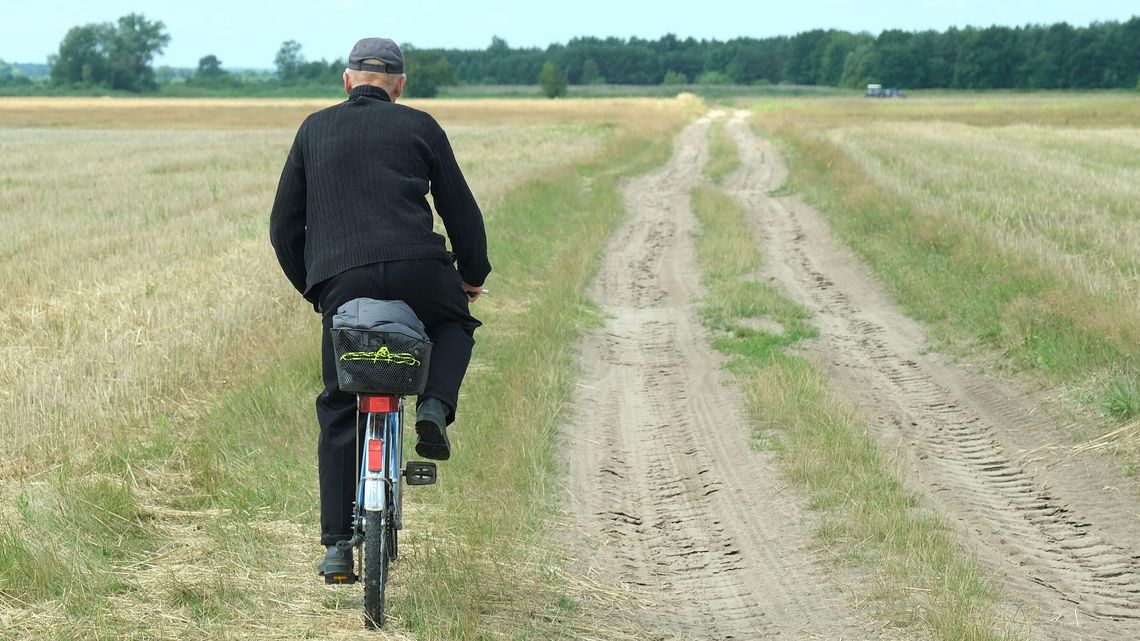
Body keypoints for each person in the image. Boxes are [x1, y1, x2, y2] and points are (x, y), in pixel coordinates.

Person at [268, 37, 490, 580]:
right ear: (399, 85)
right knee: (454, 325)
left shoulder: (313, 129)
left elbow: (282, 228)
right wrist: (471, 276)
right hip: (420, 269)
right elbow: (461, 211)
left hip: (342, 279)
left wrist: (317, 290)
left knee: (341, 402)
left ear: (347, 81)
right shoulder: (420, 126)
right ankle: (435, 406)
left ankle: (338, 547)